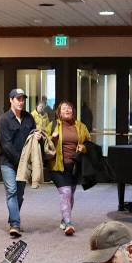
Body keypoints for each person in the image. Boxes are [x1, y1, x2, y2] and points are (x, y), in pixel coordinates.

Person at [45, 100, 91, 236]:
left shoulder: (81, 126)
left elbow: (89, 142)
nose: (67, 110)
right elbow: (44, 143)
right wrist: (52, 138)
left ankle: (65, 219)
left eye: (69, 108)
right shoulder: (53, 126)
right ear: (59, 112)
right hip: (58, 166)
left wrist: (84, 147)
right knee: (65, 193)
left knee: (70, 195)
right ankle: (69, 223)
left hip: (75, 167)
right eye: (64, 108)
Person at [0, 88, 37, 238]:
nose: (21, 102)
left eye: (22, 99)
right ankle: (15, 224)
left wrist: (37, 136)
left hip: (24, 163)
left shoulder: (28, 118)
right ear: (11, 100)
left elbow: (32, 134)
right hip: (8, 162)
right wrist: (19, 160)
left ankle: (13, 218)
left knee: (19, 194)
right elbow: (6, 144)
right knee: (12, 191)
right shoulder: (4, 120)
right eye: (18, 99)